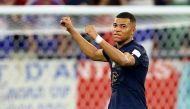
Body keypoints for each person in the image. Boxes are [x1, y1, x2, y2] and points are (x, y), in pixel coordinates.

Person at [60, 12, 149, 109]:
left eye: (123, 26)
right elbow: (94, 54)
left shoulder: (137, 50)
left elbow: (124, 60)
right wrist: (71, 29)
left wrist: (97, 37)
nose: (117, 29)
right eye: (115, 25)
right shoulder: (114, 51)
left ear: (133, 30)